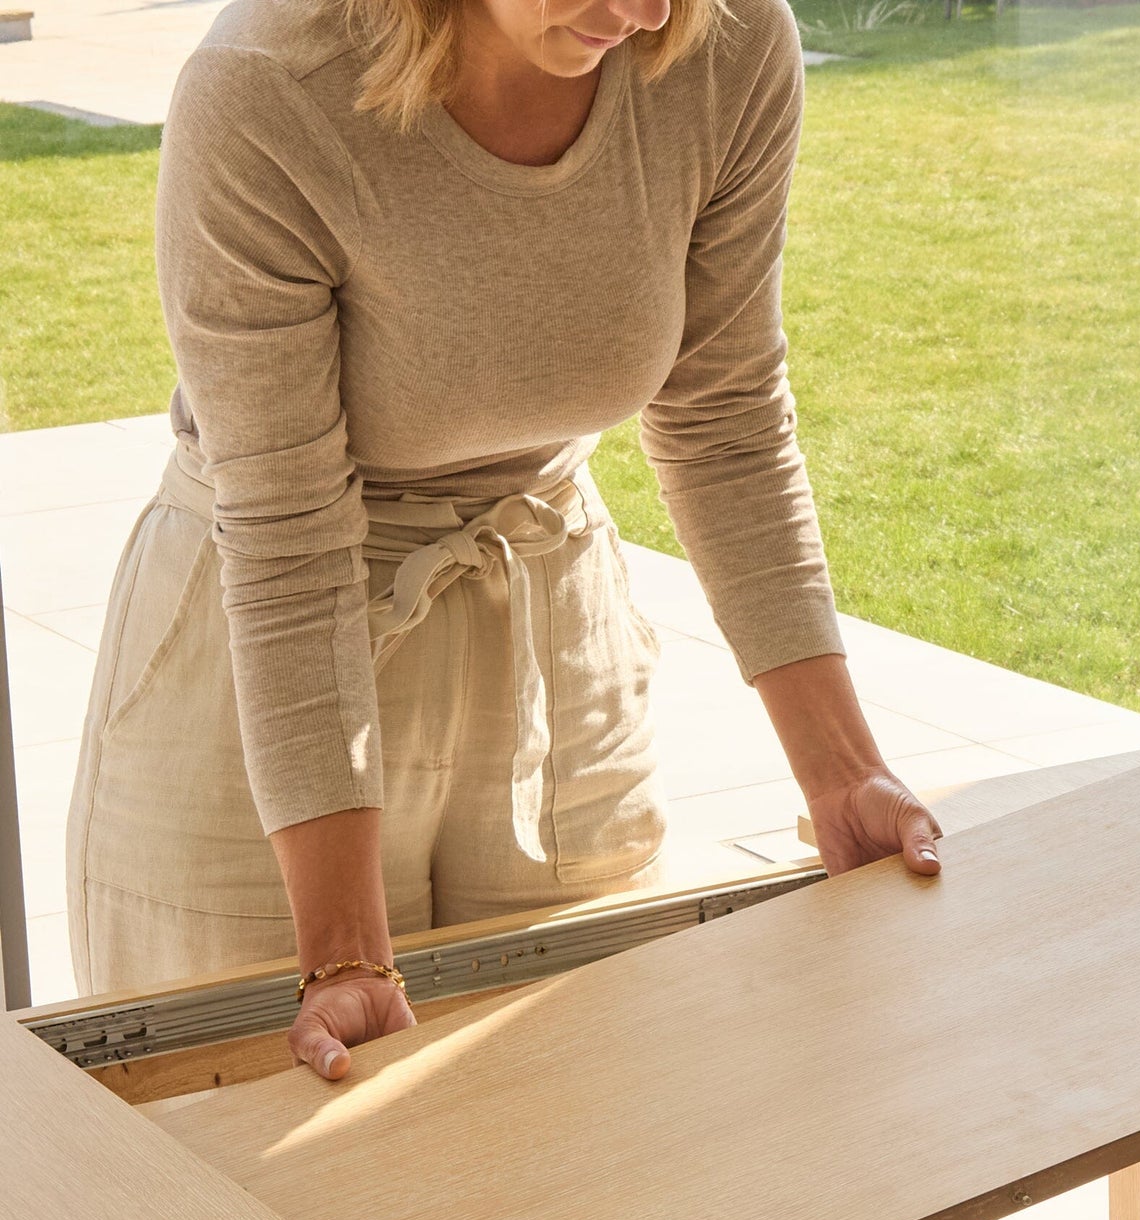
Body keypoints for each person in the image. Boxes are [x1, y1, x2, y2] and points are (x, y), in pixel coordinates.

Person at [67, 0, 941, 1079]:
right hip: (263, 667)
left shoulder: (724, 46)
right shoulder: (266, 88)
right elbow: (290, 532)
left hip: (546, 625)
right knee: (251, 1170)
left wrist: (843, 774)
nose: (643, 12)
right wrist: (339, 954)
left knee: (576, 1144)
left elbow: (723, 420)